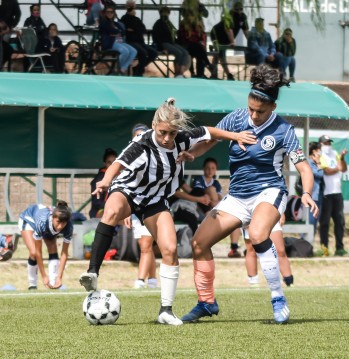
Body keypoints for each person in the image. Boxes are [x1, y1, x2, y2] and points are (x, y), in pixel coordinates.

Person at [78, 98, 256, 326]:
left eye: (171, 134)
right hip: (129, 191)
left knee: (170, 248)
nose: (167, 138)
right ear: (154, 126)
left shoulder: (182, 139)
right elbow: (117, 165)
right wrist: (105, 181)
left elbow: (209, 132)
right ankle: (93, 272)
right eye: (162, 132)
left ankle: (166, 310)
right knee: (111, 211)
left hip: (155, 199)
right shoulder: (140, 145)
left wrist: (237, 136)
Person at [180, 65, 318, 324]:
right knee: (199, 243)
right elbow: (210, 139)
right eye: (251, 108)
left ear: (273, 108)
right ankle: (206, 302)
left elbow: (302, 166)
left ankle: (278, 297)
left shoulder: (284, 130)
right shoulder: (236, 118)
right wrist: (192, 154)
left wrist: (307, 192)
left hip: (269, 191)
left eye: (260, 111)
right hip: (237, 197)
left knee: (257, 234)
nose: (253, 115)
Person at [127, 123, 158, 289]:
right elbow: (126, 187)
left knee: (146, 246)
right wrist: (127, 211)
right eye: (136, 135)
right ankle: (152, 280)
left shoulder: (155, 156)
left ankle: (140, 280)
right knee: (144, 246)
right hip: (135, 209)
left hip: (152, 206)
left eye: (142, 135)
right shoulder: (129, 158)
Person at [19, 202, 73, 290]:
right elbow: (38, 252)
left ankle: (53, 282)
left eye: (63, 223)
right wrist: (44, 276)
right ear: (52, 217)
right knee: (33, 252)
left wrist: (59, 277)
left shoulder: (69, 227)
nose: (60, 226)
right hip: (29, 219)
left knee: (52, 247)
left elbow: (64, 253)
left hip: (46, 226)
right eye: (58, 222)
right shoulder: (42, 223)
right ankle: (32, 285)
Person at [318, 134, 349, 257]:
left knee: (340, 222)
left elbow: (344, 169)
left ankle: (339, 248)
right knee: (324, 223)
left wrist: (341, 158)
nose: (328, 145)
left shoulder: (335, 153)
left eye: (329, 143)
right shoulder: (319, 156)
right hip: (326, 194)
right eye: (326, 143)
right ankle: (324, 248)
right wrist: (338, 167)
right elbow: (327, 171)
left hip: (337, 193)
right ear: (321, 144)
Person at [244, 216, 294, 287]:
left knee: (280, 250)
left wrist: (281, 212)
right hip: (250, 215)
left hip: (270, 212)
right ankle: (253, 283)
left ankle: (289, 283)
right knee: (251, 250)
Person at [121, 1, 158, 77]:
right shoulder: (124, 18)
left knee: (154, 52)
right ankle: (139, 72)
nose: (132, 8)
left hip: (140, 42)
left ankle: (139, 68)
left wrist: (134, 29)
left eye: (133, 6)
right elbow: (126, 29)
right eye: (130, 6)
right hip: (130, 41)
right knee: (143, 52)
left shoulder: (137, 19)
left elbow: (143, 29)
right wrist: (136, 29)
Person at [152, 6, 191, 78]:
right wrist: (161, 48)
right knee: (179, 53)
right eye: (164, 13)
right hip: (163, 43)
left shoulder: (169, 24)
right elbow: (156, 37)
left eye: (167, 13)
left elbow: (172, 36)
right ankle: (177, 74)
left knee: (185, 52)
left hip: (171, 43)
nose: (166, 15)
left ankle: (181, 73)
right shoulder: (158, 24)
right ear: (161, 14)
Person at [99, 5, 138, 75]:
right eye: (108, 12)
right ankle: (117, 69)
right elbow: (112, 31)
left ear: (114, 13)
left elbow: (123, 31)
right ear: (105, 13)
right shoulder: (103, 22)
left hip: (120, 42)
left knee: (134, 51)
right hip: (111, 43)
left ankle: (122, 69)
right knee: (125, 51)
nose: (110, 14)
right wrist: (116, 32)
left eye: (111, 12)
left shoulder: (115, 23)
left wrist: (115, 32)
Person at [177, 8, 215, 78]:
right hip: (185, 46)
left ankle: (200, 74)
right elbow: (184, 38)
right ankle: (208, 64)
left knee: (200, 53)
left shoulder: (197, 23)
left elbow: (200, 36)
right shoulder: (183, 24)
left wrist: (200, 40)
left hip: (194, 47)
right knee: (198, 48)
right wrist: (196, 40)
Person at [89, 148, 118, 218]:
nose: (112, 165)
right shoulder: (99, 179)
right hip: (101, 210)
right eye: (109, 162)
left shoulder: (122, 176)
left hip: (118, 208)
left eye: (114, 161)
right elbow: (96, 202)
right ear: (105, 163)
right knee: (113, 215)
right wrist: (111, 206)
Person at [209, 12, 235, 80]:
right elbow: (229, 31)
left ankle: (215, 73)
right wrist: (232, 42)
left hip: (220, 41)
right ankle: (225, 74)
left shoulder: (226, 23)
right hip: (218, 40)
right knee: (219, 56)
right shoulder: (226, 23)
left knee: (218, 57)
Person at [307, 141, 323, 234]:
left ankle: (309, 244)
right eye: (319, 151)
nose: (320, 153)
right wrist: (319, 164)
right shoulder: (309, 163)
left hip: (318, 195)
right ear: (314, 152)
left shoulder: (313, 163)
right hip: (312, 196)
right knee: (311, 221)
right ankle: (305, 243)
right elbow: (319, 174)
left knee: (315, 221)